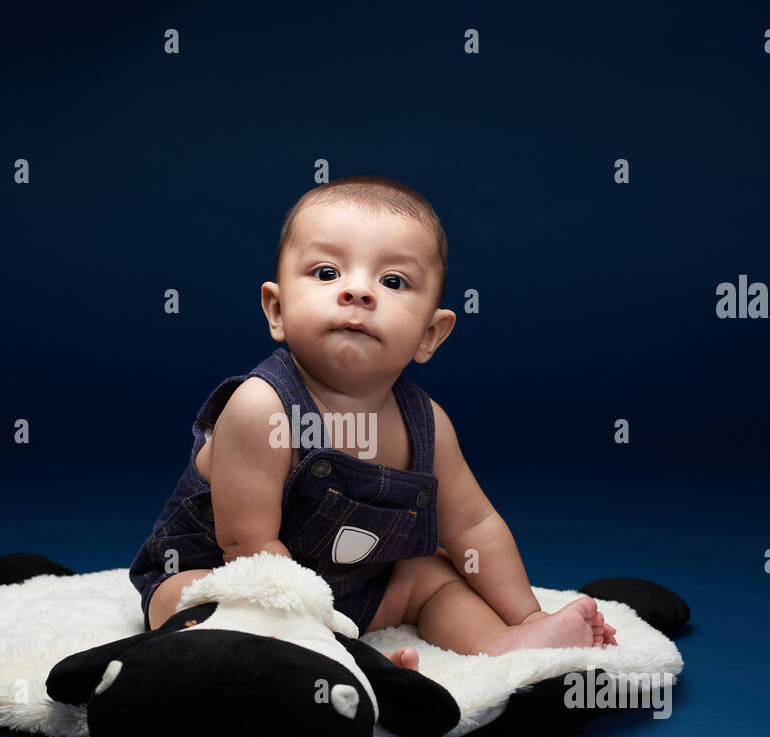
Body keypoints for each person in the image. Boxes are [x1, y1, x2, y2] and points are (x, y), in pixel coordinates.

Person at [129, 175, 616, 671]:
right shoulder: (262, 408)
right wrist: (330, 640)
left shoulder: (427, 424)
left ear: (430, 334)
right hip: (232, 571)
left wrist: (527, 613)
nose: (357, 292)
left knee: (437, 576)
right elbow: (249, 548)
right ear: (276, 310)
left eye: (392, 282)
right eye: (325, 273)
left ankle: (509, 643)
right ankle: (327, 666)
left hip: (357, 585)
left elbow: (475, 525)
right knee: (196, 605)